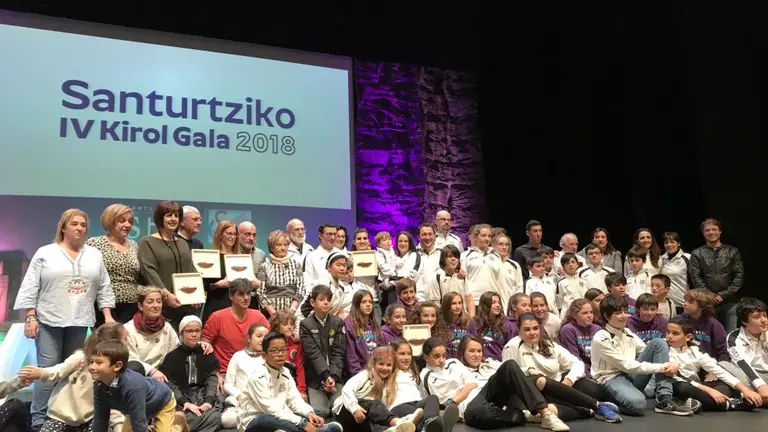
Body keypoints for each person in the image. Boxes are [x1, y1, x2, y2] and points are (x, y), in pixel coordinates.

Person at [15, 208, 116, 429]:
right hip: (49, 320)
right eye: (74, 224)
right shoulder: (46, 252)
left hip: (80, 321)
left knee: (72, 370)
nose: (80, 228)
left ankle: (63, 416)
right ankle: (39, 420)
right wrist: (30, 316)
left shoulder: (94, 255)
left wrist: (108, 315)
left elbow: (104, 286)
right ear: (63, 227)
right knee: (48, 368)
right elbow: (31, 285)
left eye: (83, 225)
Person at [420, 337, 569, 431]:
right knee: (482, 413)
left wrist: (454, 400)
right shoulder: (425, 377)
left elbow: (471, 384)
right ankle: (525, 415)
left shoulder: (453, 362)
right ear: (426, 357)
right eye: (436, 356)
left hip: (482, 393)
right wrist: (453, 405)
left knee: (509, 365)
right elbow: (440, 407)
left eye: (443, 355)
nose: (442, 360)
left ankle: (545, 413)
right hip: (469, 408)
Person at [502, 314, 621, 423]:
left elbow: (577, 363)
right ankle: (594, 408)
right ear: (519, 331)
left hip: (560, 384)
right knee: (543, 391)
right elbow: (508, 374)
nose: (532, 332)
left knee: (595, 390)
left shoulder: (548, 344)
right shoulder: (512, 346)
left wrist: (569, 380)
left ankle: (586, 406)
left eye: (535, 328)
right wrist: (528, 370)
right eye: (527, 329)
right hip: (535, 391)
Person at [590, 294, 692, 416]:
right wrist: (663, 367)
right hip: (611, 378)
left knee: (659, 342)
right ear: (607, 316)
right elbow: (627, 365)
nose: (624, 316)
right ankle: (606, 403)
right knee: (638, 404)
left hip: (630, 375)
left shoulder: (627, 332)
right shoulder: (601, 338)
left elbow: (647, 350)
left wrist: (672, 364)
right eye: (618, 313)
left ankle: (664, 398)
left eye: (625, 312)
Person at [18, 322, 128, 432]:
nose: (128, 342)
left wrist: (119, 428)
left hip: (88, 420)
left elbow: (113, 406)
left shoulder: (113, 372)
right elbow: (57, 371)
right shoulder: (81, 358)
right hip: (60, 417)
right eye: (125, 339)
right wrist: (40, 373)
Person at [236, 332, 343, 432]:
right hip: (254, 421)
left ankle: (314, 428)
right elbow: (271, 410)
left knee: (312, 413)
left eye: (283, 350)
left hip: (279, 416)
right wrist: (302, 423)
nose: (280, 354)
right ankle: (319, 431)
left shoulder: (285, 372)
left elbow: (294, 400)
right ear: (264, 355)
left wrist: (309, 413)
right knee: (268, 419)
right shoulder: (257, 377)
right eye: (274, 351)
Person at [665, 316, 760, 411]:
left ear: (688, 337)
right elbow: (677, 377)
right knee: (682, 387)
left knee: (723, 385)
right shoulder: (663, 348)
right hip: (676, 385)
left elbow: (718, 370)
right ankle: (729, 404)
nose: (669, 336)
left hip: (697, 387)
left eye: (675, 333)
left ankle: (696, 403)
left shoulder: (695, 350)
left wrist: (745, 390)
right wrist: (710, 391)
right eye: (668, 332)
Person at [137, 201, 199, 331]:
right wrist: (166, 295)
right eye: (169, 215)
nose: (173, 219)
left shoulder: (182, 243)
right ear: (160, 218)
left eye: (176, 215)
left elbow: (191, 268)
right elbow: (149, 272)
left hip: (186, 305)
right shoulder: (147, 242)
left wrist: (196, 294)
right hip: (161, 306)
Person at [91, 340, 176, 432]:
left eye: (99, 362)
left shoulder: (132, 385)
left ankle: (178, 426)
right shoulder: (99, 385)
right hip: (135, 409)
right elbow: (100, 419)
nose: (92, 367)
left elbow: (139, 423)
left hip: (161, 402)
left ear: (117, 366)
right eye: (91, 362)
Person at [332, 346, 423, 432]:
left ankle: (393, 429)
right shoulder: (366, 375)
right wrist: (354, 408)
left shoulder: (388, 384)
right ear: (374, 364)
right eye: (381, 364)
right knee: (375, 404)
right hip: (346, 411)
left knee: (376, 424)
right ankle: (397, 422)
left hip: (363, 418)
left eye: (388, 365)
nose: (385, 368)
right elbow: (347, 390)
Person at [161, 316, 222, 432]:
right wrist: (185, 402)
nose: (194, 334)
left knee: (215, 417)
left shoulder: (207, 353)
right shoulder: (171, 357)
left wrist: (208, 401)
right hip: (181, 399)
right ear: (181, 334)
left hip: (202, 396)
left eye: (197, 331)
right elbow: (171, 384)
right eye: (189, 331)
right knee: (183, 416)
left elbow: (211, 379)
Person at [201, 278, 270, 377]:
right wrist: (214, 374)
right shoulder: (217, 317)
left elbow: (270, 342)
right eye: (241, 294)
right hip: (224, 371)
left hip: (254, 370)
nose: (246, 298)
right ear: (231, 296)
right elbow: (204, 347)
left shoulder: (258, 316)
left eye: (248, 294)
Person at [86, 203, 141, 324]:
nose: (127, 225)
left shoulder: (134, 245)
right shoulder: (94, 244)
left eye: (130, 221)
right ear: (110, 221)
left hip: (132, 306)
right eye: (122, 221)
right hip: (104, 306)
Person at [389, 339, 457, 432]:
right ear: (392, 355)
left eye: (409, 354)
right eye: (402, 354)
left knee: (433, 398)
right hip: (399, 406)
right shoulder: (389, 371)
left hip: (417, 404)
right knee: (419, 417)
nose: (406, 357)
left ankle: (430, 423)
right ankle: (440, 427)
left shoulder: (413, 371)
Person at [299, 285, 346, 418]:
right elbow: (313, 354)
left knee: (342, 408)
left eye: (328, 300)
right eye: (321, 299)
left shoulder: (338, 322)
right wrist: (325, 376)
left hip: (335, 378)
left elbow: (338, 353)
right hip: (315, 380)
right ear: (312, 302)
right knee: (321, 412)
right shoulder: (305, 324)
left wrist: (333, 377)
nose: (326, 302)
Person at [689, 218, 744, 332]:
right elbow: (695, 277)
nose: (711, 232)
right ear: (703, 233)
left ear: (720, 231)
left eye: (714, 229)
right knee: (709, 336)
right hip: (707, 304)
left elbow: (739, 276)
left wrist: (723, 295)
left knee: (729, 335)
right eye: (707, 230)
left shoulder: (732, 251)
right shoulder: (697, 253)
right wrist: (710, 296)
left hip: (730, 302)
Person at [724, 297, 768, 406]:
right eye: (757, 317)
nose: (764, 320)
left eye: (765, 315)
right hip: (748, 377)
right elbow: (743, 364)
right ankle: (756, 396)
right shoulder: (734, 337)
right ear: (744, 321)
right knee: (723, 364)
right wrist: (760, 385)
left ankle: (753, 399)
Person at [345, 290, 380, 376]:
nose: (368, 305)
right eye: (364, 302)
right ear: (357, 304)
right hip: (359, 373)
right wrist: (357, 374)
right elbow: (351, 355)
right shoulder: (349, 325)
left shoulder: (374, 324)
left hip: (377, 371)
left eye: (370, 302)